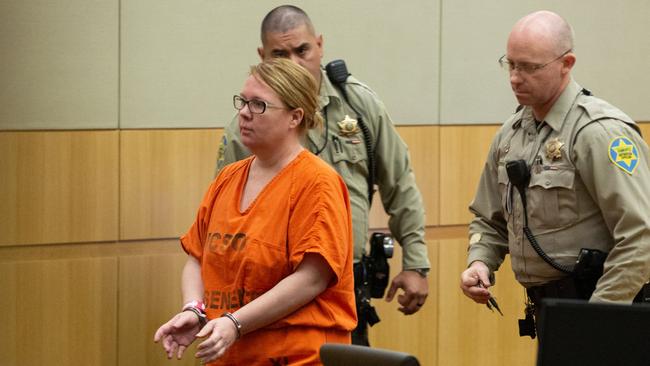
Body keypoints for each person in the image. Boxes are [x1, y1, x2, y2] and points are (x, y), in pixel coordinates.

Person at [215, 5, 430, 346]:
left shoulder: (359, 105)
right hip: (271, 296)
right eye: (280, 54)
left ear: (319, 45)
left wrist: (416, 263)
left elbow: (399, 182)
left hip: (344, 287)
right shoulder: (246, 127)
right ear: (262, 56)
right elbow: (224, 224)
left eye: (303, 50)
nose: (295, 63)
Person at [154, 58, 356, 365]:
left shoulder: (318, 182)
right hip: (230, 356)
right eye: (243, 101)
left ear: (294, 117)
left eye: (259, 105)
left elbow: (311, 279)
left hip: (297, 357)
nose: (244, 113)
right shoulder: (227, 178)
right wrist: (194, 309)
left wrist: (236, 323)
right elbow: (197, 257)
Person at [460, 10, 650, 332]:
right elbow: (489, 218)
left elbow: (641, 236)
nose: (515, 77)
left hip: (611, 313)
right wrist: (480, 261)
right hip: (554, 314)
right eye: (511, 64)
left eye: (530, 67)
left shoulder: (598, 133)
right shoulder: (511, 135)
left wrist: (597, 319)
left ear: (567, 63)